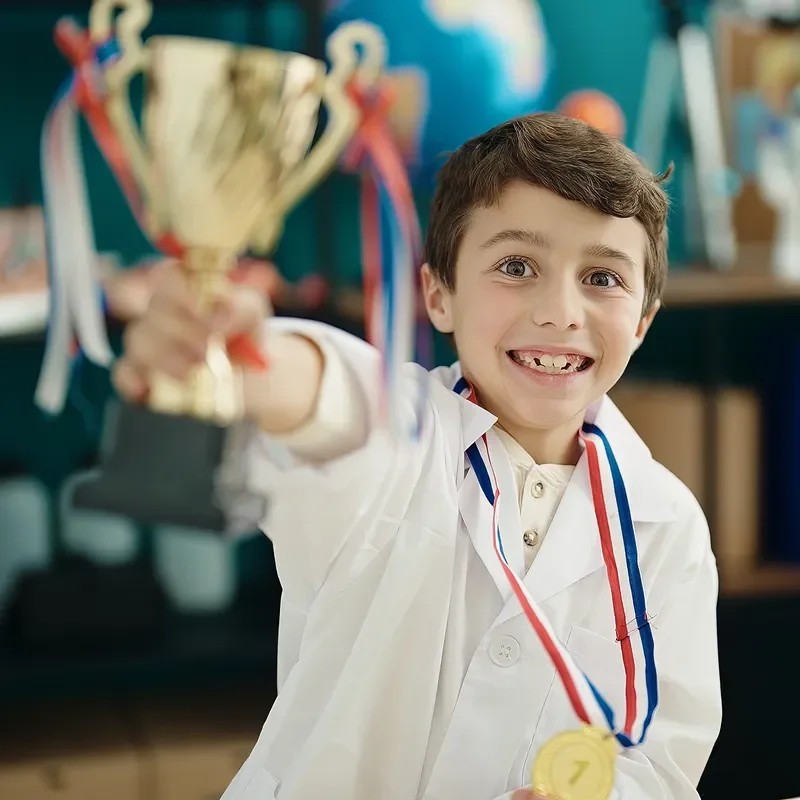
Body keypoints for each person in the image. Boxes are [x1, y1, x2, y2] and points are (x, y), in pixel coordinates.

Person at [114, 113, 722, 800]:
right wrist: (244, 361)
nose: (561, 312)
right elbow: (336, 402)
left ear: (643, 319)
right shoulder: (400, 441)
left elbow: (666, 762)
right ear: (439, 295)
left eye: (603, 278)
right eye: (516, 267)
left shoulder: (668, 528)